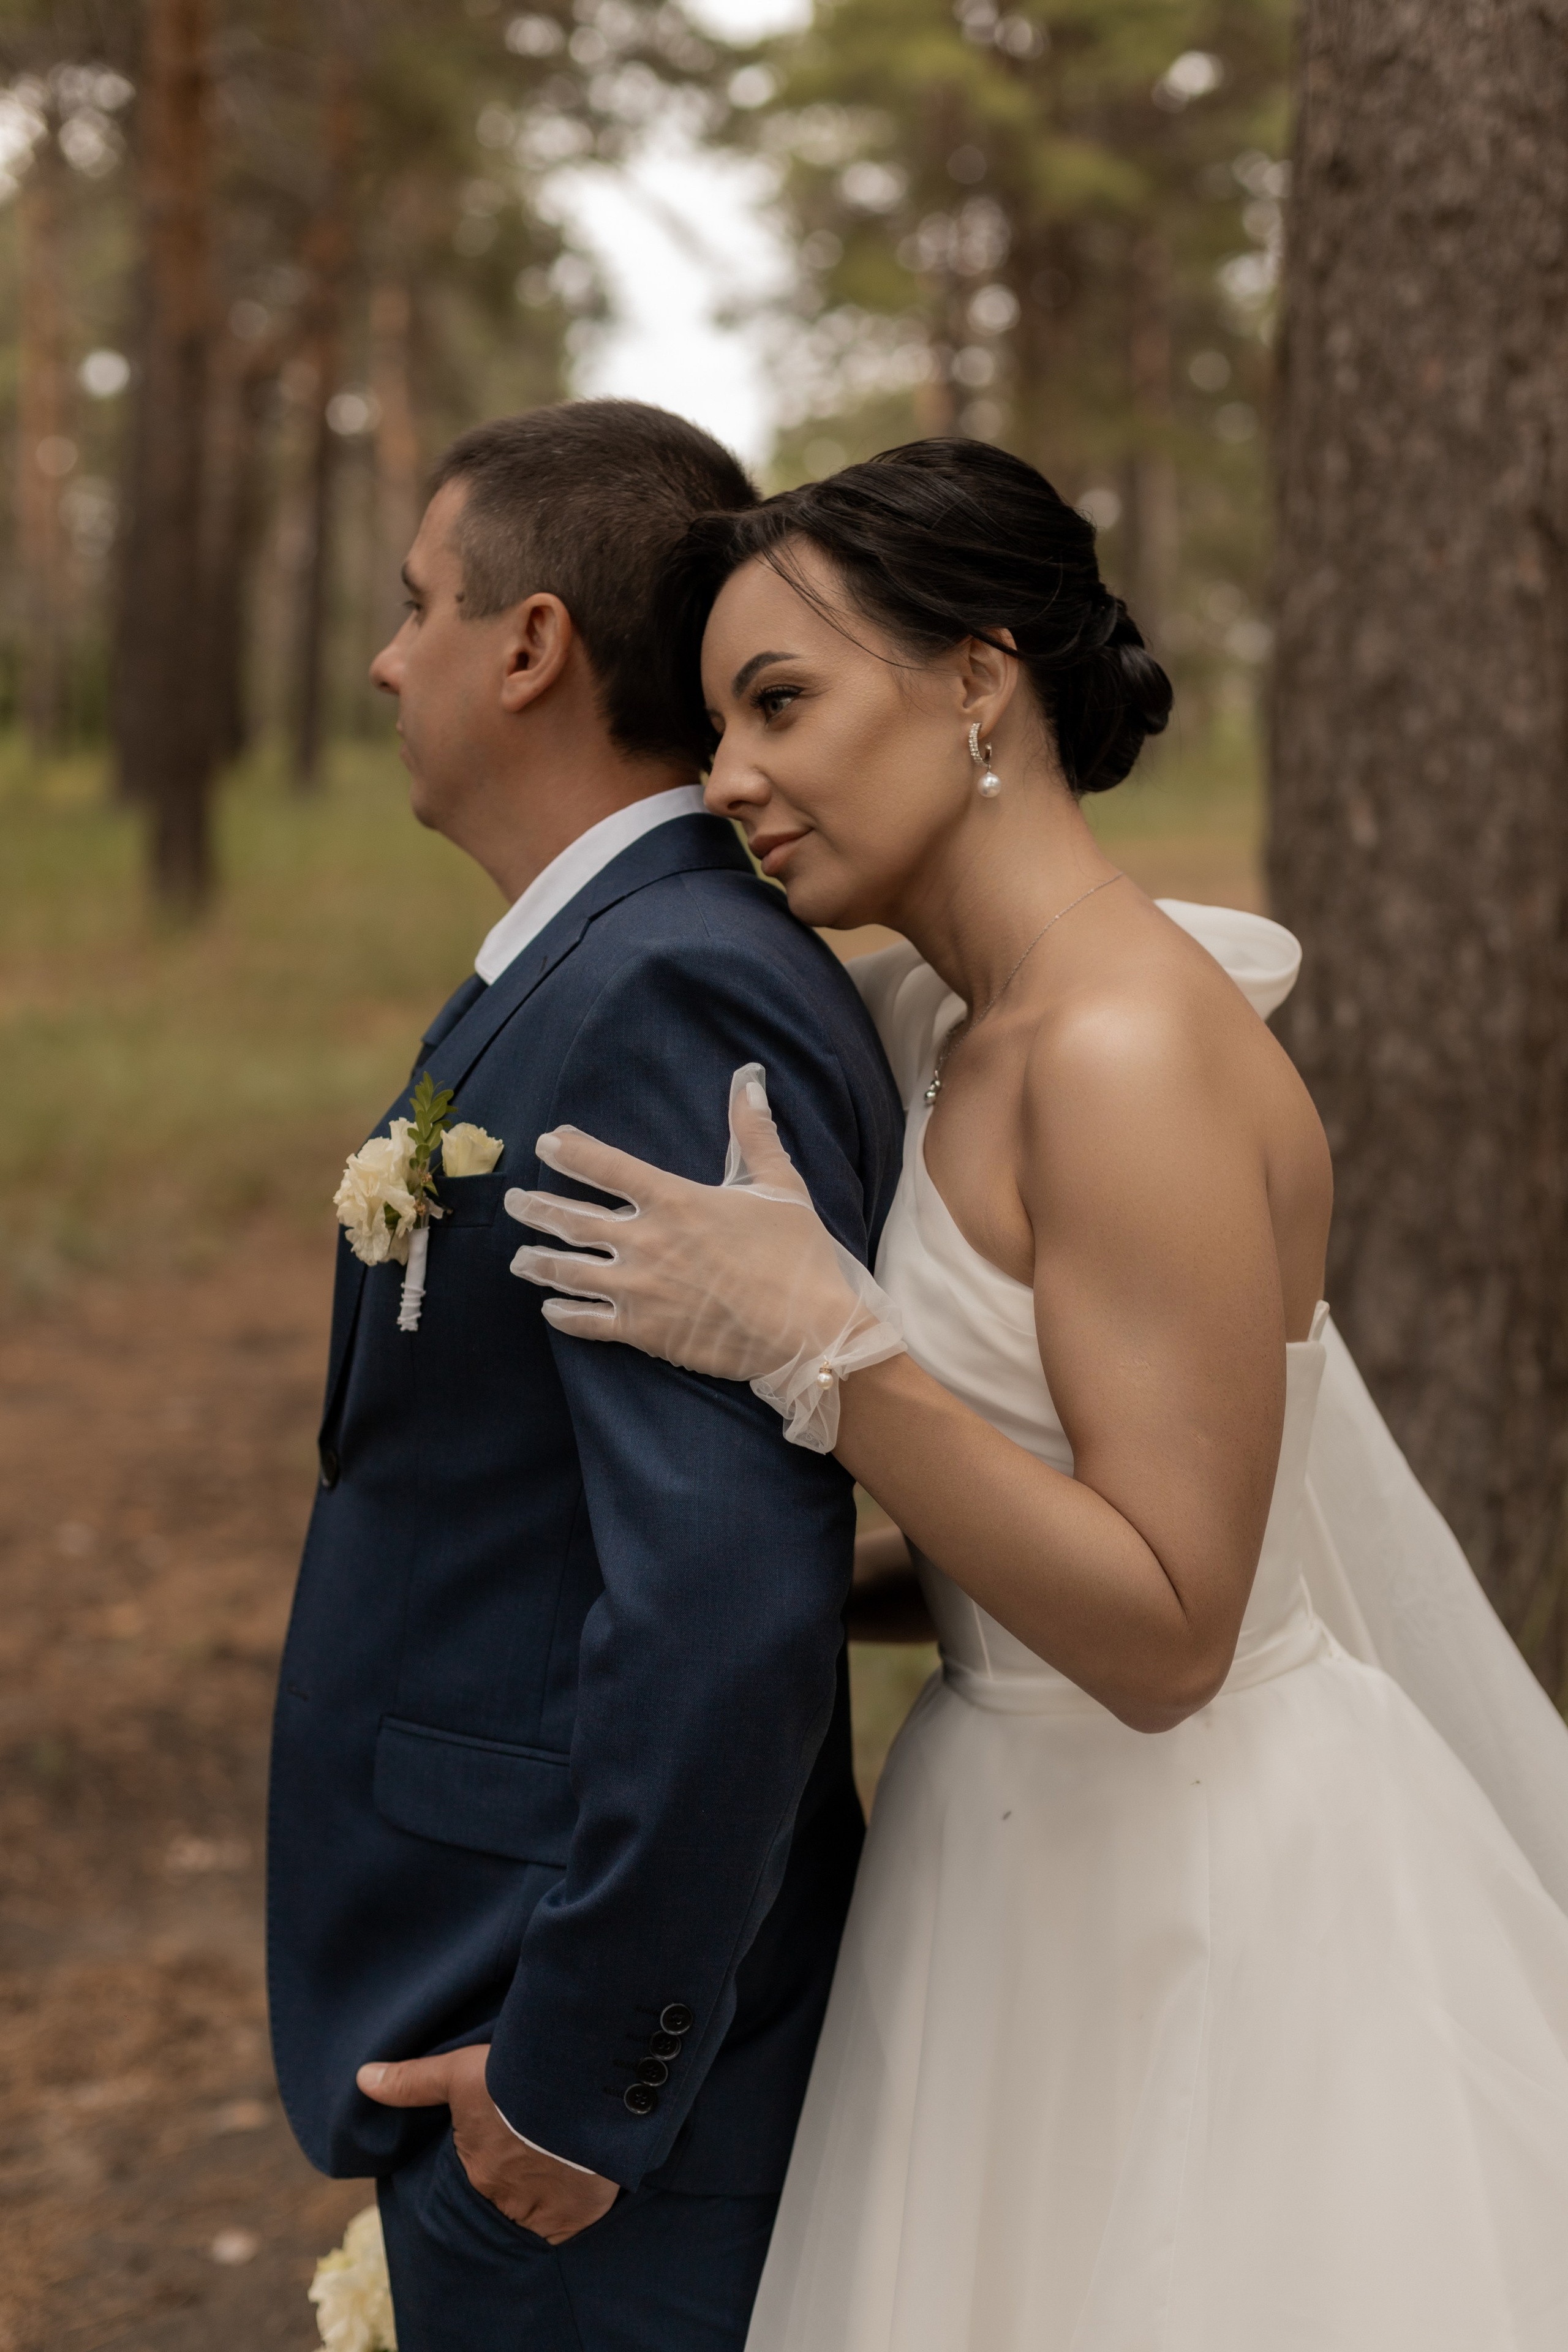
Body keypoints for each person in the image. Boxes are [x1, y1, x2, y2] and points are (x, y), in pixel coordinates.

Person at [508, 439, 1568, 2349]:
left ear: (978, 677)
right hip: (1000, 1848)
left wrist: (827, 1354)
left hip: (1200, 1895)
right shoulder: (950, 1021)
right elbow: (1039, 1510)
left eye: (782, 702)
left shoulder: (1124, 1047)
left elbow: (1172, 1630)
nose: (729, 773)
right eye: (718, 719)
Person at [265, 400, 903, 2352]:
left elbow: (722, 1599)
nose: (387, 657)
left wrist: (573, 2077)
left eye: (417, 603)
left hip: (577, 2072)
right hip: (485, 1980)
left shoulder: (665, 986)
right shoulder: (593, 956)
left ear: (530, 644)